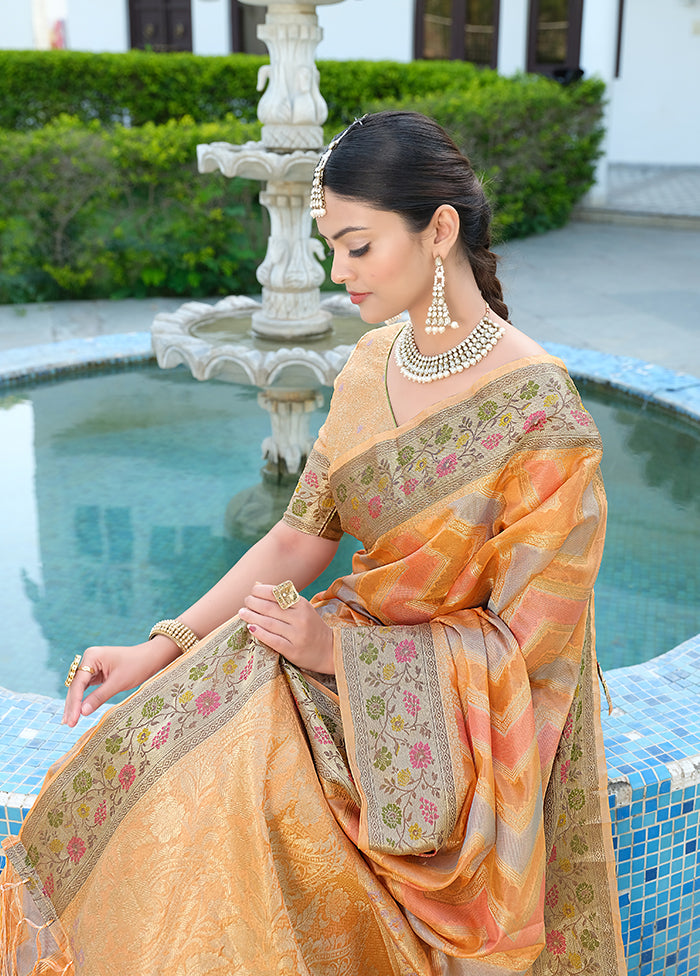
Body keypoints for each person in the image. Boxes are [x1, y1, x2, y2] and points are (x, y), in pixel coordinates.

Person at [1, 111, 626, 976]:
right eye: (333, 244)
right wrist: (161, 647)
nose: (340, 271)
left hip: (440, 740)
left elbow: (534, 654)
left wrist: (340, 652)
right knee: (134, 756)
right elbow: (300, 538)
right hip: (329, 661)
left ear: (439, 230)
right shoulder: (370, 364)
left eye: (358, 245)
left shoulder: (542, 418)